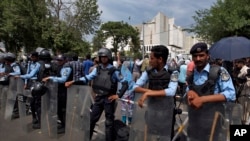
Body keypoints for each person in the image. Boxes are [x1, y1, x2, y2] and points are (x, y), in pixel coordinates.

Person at [65, 48, 130, 141]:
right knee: (91, 120)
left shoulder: (113, 71)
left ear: (108, 57)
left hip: (109, 99)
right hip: (99, 98)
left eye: (105, 57)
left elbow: (125, 83)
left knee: (109, 124)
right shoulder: (97, 69)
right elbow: (87, 78)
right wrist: (72, 81)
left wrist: (118, 95)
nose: (103, 59)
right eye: (101, 57)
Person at [186, 42, 236, 141]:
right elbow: (187, 92)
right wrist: (188, 94)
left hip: (214, 123)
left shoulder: (219, 72)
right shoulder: (191, 76)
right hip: (194, 123)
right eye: (195, 56)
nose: (198, 59)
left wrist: (203, 99)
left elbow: (231, 94)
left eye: (201, 55)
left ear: (207, 56)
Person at [132, 45, 179, 140]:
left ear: (160, 59)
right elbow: (135, 86)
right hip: (152, 111)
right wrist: (148, 91)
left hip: (167, 114)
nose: (149, 61)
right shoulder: (148, 71)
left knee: (165, 137)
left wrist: (148, 93)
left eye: (152, 58)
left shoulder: (173, 73)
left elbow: (171, 91)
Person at [42, 54, 72, 134]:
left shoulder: (66, 67)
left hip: (65, 91)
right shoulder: (59, 66)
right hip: (59, 90)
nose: (58, 62)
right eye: (57, 60)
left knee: (63, 109)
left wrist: (50, 78)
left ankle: (65, 126)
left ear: (65, 60)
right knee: (58, 109)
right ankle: (62, 123)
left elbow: (63, 79)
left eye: (60, 60)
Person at [16, 51, 41, 128]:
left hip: (36, 83)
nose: (32, 58)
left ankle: (39, 120)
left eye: (33, 57)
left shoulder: (38, 64)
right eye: (31, 57)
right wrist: (26, 83)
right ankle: (34, 117)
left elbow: (31, 74)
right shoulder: (30, 63)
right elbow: (28, 72)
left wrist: (20, 76)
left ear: (37, 57)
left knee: (36, 103)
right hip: (30, 82)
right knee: (31, 103)